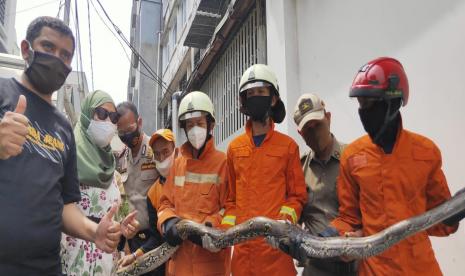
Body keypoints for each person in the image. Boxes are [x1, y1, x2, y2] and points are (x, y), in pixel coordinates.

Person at [0, 16, 130, 275]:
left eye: (66, 55)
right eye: (48, 48)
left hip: (46, 266)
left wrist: (95, 231)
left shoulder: (63, 129)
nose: (57, 59)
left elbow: (64, 207)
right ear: (27, 50)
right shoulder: (3, 93)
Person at [330, 57, 464, 275]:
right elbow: (349, 219)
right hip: (375, 270)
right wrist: (331, 233)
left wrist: (453, 212)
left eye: (369, 103)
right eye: (360, 103)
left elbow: (440, 223)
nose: (363, 111)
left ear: (392, 102)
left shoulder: (426, 152)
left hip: (421, 269)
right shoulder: (352, 157)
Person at [222, 64, 308, 276]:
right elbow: (230, 201)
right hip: (242, 259)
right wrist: (224, 231)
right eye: (250, 94)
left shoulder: (288, 147)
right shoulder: (234, 148)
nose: (255, 97)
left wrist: (283, 223)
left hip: (276, 256)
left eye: (261, 92)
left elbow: (297, 197)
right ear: (244, 101)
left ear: (273, 98)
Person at [61, 90, 139, 275]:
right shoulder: (66, 161)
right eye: (102, 114)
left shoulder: (114, 175)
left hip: (106, 265)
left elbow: (113, 221)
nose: (108, 122)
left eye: (113, 118)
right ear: (87, 115)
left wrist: (122, 229)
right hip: (73, 263)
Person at [157, 91, 231, 276]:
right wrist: (167, 222)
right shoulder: (178, 163)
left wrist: (211, 227)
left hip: (210, 265)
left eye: (199, 123)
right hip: (179, 264)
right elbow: (165, 203)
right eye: (189, 125)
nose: (194, 130)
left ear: (210, 125)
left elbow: (231, 208)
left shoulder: (224, 163)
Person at [290, 93, 355, 275]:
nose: (314, 133)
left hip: (354, 267)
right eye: (308, 130)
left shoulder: (353, 158)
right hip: (316, 268)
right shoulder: (299, 169)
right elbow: (295, 213)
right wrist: (292, 234)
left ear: (328, 118)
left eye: (317, 125)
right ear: (300, 134)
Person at [118, 129, 178, 276]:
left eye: (166, 152)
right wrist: (133, 256)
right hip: (162, 259)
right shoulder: (153, 192)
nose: (162, 157)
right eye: (157, 154)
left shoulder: (187, 182)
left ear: (175, 152)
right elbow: (156, 237)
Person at [116, 101, 159, 262]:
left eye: (130, 129)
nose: (126, 135)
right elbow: (122, 198)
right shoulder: (121, 159)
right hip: (130, 239)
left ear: (139, 122)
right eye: (121, 132)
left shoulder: (155, 149)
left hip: (153, 238)